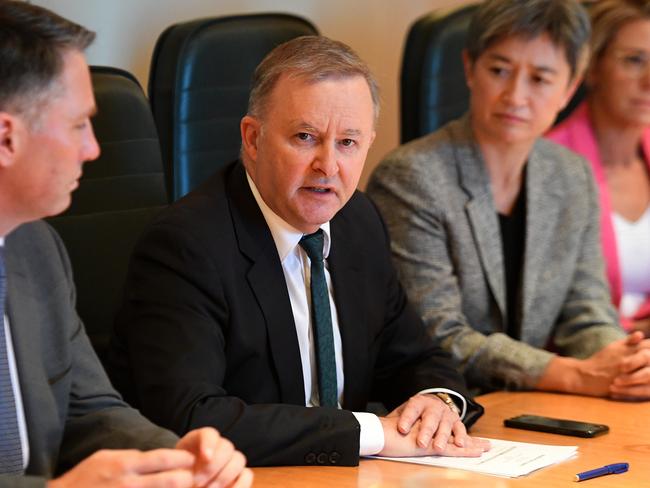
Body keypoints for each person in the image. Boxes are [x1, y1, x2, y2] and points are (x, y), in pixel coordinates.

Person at [109, 35, 490, 467]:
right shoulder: (185, 245)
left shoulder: (358, 221)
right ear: (253, 139)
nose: (328, 166)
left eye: (347, 143)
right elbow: (191, 417)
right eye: (306, 137)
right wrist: (369, 432)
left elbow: (414, 355)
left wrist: (436, 400)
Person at [0, 2, 252, 486]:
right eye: (78, 124)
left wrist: (173, 456)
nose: (93, 149)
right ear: (7, 139)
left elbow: (89, 407)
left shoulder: (37, 247)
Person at [368, 0, 650, 399]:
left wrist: (624, 361)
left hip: (528, 408)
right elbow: (438, 335)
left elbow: (586, 313)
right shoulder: (413, 177)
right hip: (438, 412)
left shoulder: (572, 175)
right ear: (469, 68)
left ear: (569, 88)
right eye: (499, 70)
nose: (516, 96)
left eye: (540, 78)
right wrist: (570, 374)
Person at [547, 0, 650, 335]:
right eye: (635, 61)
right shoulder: (546, 164)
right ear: (592, 68)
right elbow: (545, 306)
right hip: (582, 359)